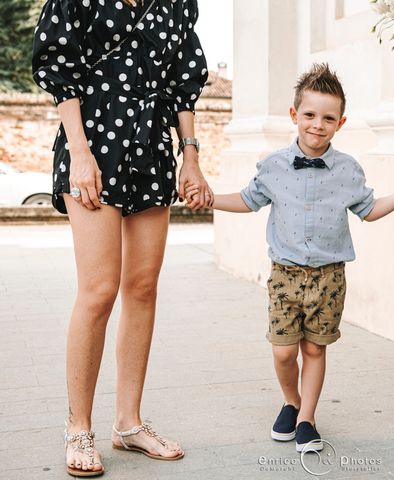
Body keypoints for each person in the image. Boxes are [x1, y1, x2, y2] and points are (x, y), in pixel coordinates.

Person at [32, 0, 212, 475]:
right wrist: (79, 153)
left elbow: (183, 81)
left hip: (152, 147)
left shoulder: (177, 5)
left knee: (143, 287)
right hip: (93, 142)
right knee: (98, 291)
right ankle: (78, 427)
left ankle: (128, 424)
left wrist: (189, 155)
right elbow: (57, 63)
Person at [199, 63, 394, 452]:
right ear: (294, 115)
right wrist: (209, 198)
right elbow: (248, 200)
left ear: (340, 123)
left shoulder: (348, 169)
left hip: (329, 277)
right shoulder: (274, 165)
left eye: (328, 118)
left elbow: (369, 209)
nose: (317, 125)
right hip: (285, 275)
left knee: (314, 348)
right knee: (282, 351)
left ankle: (307, 417)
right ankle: (290, 400)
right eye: (309, 115)